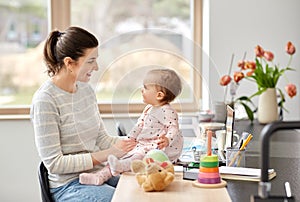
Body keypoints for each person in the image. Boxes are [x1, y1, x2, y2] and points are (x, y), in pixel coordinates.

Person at [30, 26, 136, 202]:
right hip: (68, 186)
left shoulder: (86, 91)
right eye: (90, 61)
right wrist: (110, 153)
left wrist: (135, 144)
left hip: (99, 174)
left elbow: (101, 138)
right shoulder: (45, 101)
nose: (96, 67)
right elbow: (55, 163)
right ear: (69, 63)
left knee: (140, 191)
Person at [79, 68, 184, 186]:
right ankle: (100, 176)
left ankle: (118, 167)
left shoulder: (168, 111)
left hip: (155, 147)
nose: (141, 90)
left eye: (145, 87)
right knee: (122, 155)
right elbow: (139, 125)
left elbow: (173, 128)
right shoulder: (149, 108)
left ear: (159, 95)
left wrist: (167, 139)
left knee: (138, 157)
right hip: (143, 143)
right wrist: (130, 138)